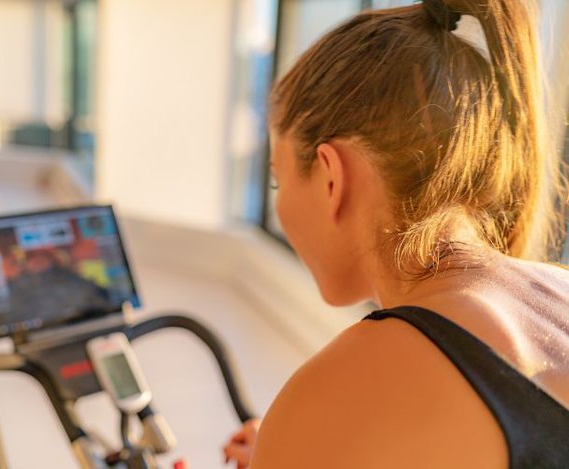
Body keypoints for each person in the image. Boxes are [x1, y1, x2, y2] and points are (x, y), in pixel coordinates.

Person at [222, 0, 569, 467]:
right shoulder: (556, 289)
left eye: (277, 179)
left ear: (331, 176)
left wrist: (300, 441)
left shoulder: (342, 391)